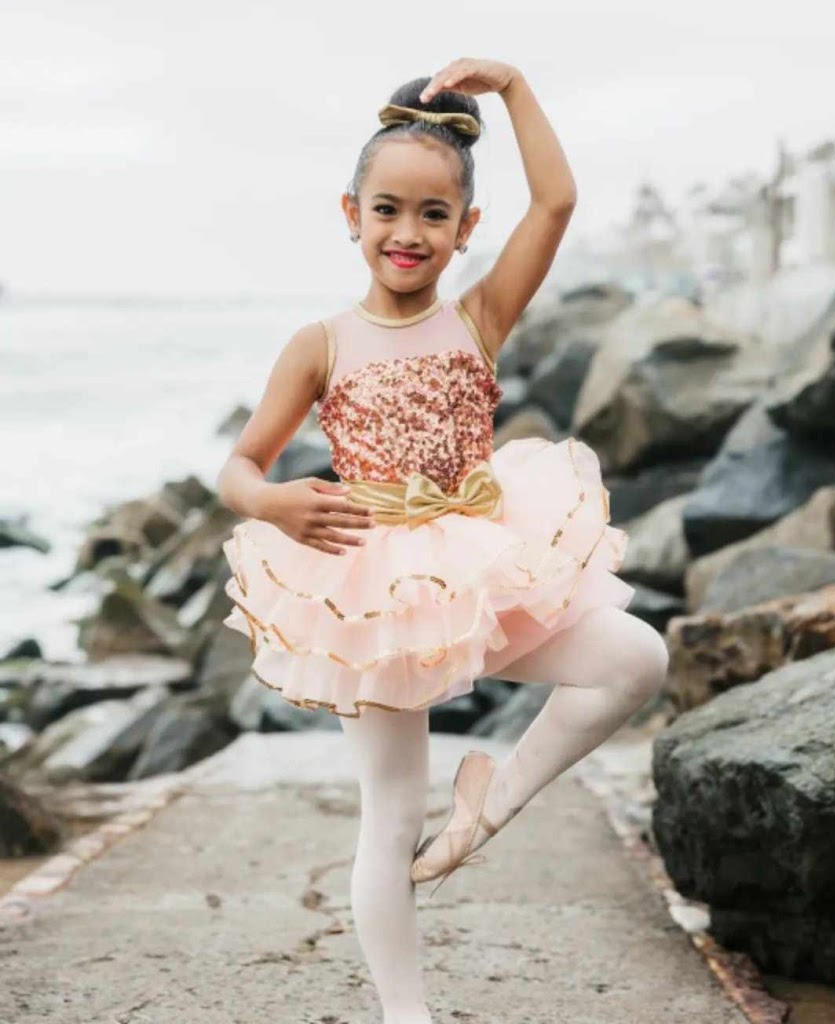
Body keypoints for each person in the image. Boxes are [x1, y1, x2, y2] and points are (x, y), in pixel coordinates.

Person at [217, 57, 669, 1024]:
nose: (407, 233)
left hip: (482, 562)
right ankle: (405, 1013)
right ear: (352, 214)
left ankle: (488, 806)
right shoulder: (321, 343)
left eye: (434, 214)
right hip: (372, 592)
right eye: (387, 210)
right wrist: (275, 504)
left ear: (466, 229)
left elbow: (556, 202)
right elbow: (239, 467)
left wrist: (514, 90)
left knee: (636, 657)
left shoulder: (480, 316)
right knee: (390, 813)